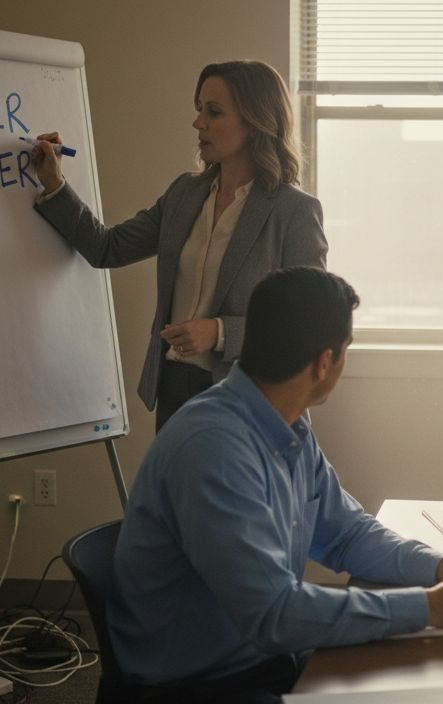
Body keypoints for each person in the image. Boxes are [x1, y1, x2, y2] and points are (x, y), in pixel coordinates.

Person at [107, 266, 443, 704]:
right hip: (193, 699)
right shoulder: (212, 448)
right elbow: (274, 615)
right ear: (325, 362)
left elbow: (347, 534)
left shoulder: (287, 423)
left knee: (409, 702)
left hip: (259, 664)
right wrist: (431, 609)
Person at [30, 60, 328, 430]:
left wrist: (219, 332)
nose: (198, 123)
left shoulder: (294, 211)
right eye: (199, 109)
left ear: (255, 122)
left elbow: (308, 323)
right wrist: (54, 183)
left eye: (213, 111)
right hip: (174, 389)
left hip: (249, 399)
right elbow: (106, 248)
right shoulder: (185, 194)